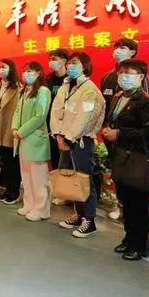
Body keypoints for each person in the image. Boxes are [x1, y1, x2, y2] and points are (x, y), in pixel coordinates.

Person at [101, 59, 149, 261]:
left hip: (137, 157)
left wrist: (119, 133)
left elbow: (148, 132)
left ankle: (140, 245)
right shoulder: (118, 97)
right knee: (125, 200)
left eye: (129, 73)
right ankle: (129, 238)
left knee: (138, 203)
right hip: (120, 155)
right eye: (121, 73)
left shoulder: (147, 101)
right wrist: (109, 131)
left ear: (141, 77)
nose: (123, 77)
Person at [51, 51, 106, 238]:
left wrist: (69, 137)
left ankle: (89, 220)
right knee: (72, 179)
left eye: (75, 63)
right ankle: (79, 214)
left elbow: (86, 117)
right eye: (69, 63)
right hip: (64, 138)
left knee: (84, 179)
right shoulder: (65, 86)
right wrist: (58, 134)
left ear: (85, 66)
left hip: (81, 140)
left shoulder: (89, 88)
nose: (70, 66)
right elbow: (56, 111)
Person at [12, 61, 51, 221]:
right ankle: (29, 204)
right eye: (24, 71)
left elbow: (40, 115)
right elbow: (17, 112)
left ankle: (41, 209)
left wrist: (21, 131)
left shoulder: (43, 91)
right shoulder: (24, 91)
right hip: (22, 139)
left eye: (29, 71)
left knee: (38, 177)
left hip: (34, 138)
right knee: (26, 175)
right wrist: (15, 128)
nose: (26, 74)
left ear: (38, 73)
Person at [0, 59, 22, 204]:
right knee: (5, 162)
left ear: (11, 69)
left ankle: (14, 192)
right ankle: (7, 189)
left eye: (3, 67)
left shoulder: (18, 87)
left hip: (11, 127)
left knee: (13, 162)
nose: (0, 69)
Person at [46, 49, 69, 205]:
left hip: (66, 126)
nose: (51, 62)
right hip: (50, 125)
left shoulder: (70, 80)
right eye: (50, 59)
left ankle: (66, 193)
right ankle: (58, 189)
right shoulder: (48, 79)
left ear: (64, 61)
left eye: (54, 59)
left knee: (65, 161)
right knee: (55, 158)